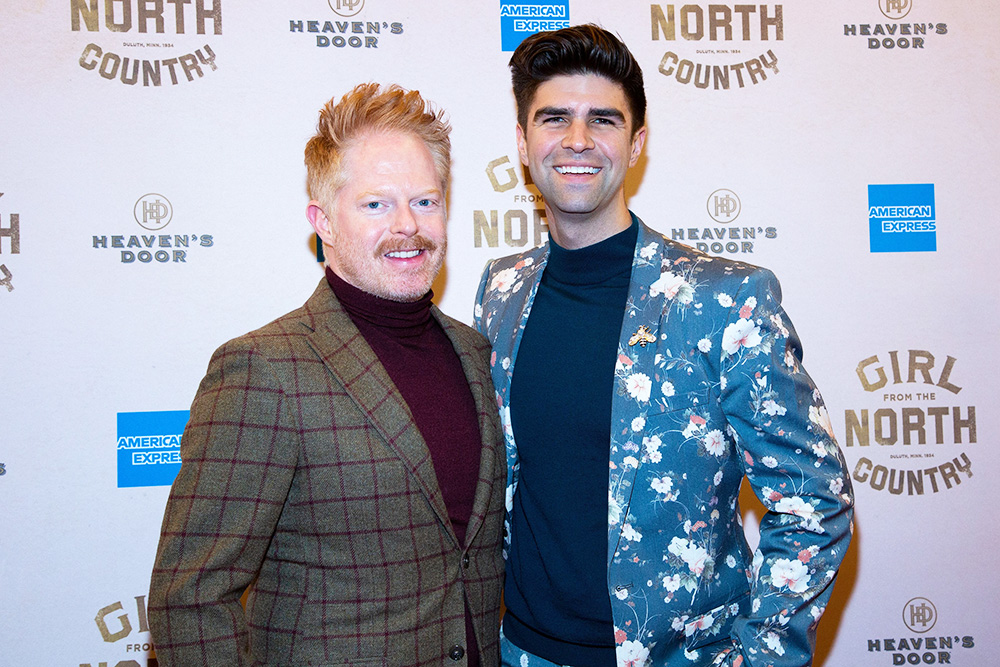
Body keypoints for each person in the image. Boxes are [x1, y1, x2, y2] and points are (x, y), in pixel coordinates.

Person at [474, 25, 854, 667]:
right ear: (523, 141)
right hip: (521, 652)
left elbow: (814, 498)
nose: (576, 140)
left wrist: (759, 658)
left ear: (637, 143)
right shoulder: (500, 290)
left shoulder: (722, 300)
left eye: (603, 120)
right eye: (554, 118)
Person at [149, 82, 505, 667]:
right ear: (324, 221)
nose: (407, 226)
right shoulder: (264, 370)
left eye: (425, 200)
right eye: (375, 204)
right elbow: (188, 596)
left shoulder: (472, 353)